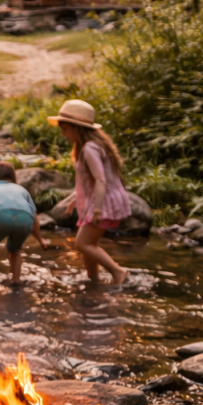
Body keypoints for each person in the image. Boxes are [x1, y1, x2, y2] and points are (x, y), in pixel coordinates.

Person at [49, 99, 132, 286]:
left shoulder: (89, 149)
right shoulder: (91, 146)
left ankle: (118, 271)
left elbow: (100, 180)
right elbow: (87, 182)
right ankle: (93, 279)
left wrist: (97, 210)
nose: (63, 134)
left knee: (82, 244)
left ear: (77, 128)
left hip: (103, 202)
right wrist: (73, 201)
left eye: (65, 129)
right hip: (102, 199)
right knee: (89, 245)